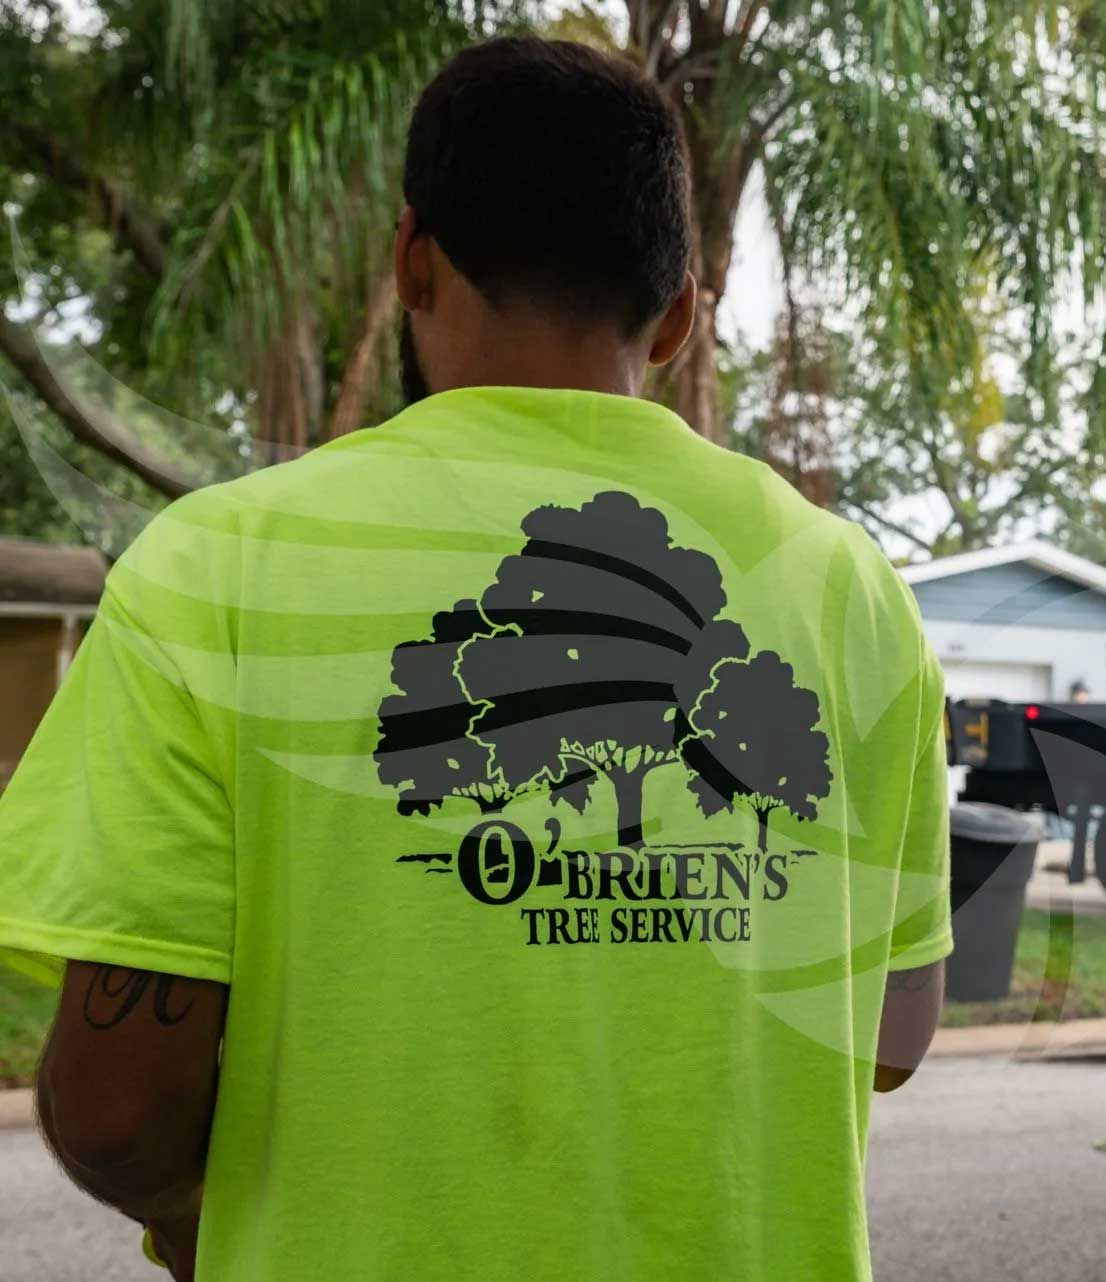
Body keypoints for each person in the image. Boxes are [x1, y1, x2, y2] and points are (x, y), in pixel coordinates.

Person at [0, 37, 950, 1281]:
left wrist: (192, 1216)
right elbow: (892, 1031)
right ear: (679, 313)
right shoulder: (848, 589)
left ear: (411, 259)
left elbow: (120, 1107)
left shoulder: (215, 566)